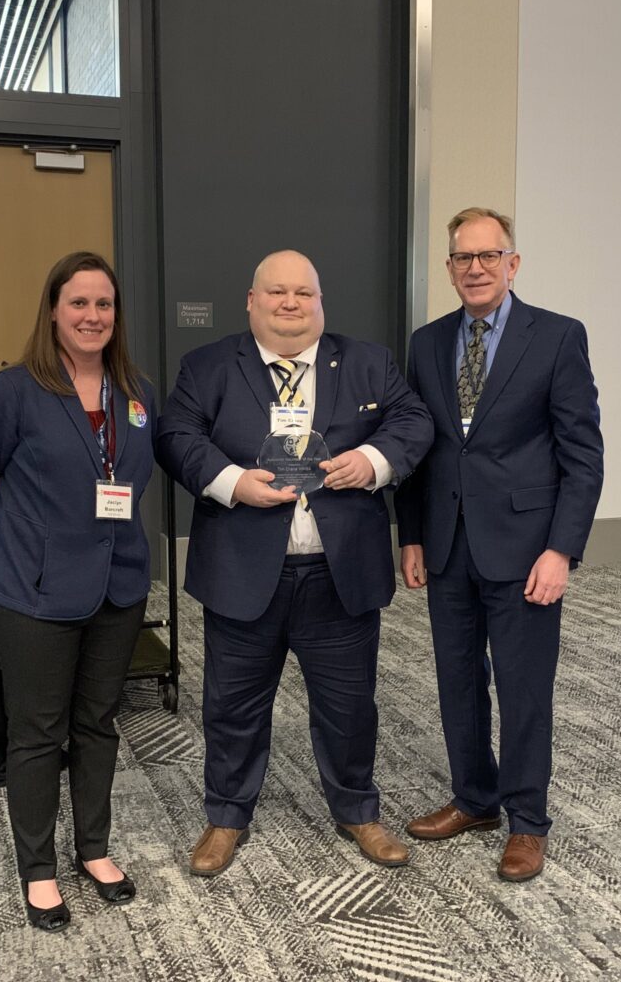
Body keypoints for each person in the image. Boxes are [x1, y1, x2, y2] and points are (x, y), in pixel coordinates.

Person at [156, 249, 433, 876]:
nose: (290, 304)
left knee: (350, 705)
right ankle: (226, 816)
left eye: (302, 293)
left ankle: (357, 810)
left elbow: (414, 421)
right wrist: (229, 481)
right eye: (276, 293)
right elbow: (176, 436)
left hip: (340, 574)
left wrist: (375, 463)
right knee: (232, 707)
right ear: (251, 302)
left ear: (320, 302)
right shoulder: (208, 366)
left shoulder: (367, 362)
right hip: (244, 570)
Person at [0, 252, 156, 931]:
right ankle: (38, 868)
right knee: (38, 734)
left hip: (117, 588)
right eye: (79, 304)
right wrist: (7, 558)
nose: (93, 316)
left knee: (97, 723)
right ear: (54, 311)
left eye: (105, 305)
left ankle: (92, 848)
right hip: (31, 598)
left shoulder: (135, 393)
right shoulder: (14, 392)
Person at [394, 208, 603, 882]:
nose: (476, 268)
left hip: (526, 551)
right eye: (463, 258)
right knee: (457, 682)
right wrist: (413, 536)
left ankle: (528, 821)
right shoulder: (426, 344)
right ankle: (476, 799)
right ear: (450, 268)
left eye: (489, 255)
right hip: (449, 546)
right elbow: (417, 450)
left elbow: (583, 457)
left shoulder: (558, 338)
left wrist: (561, 550)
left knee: (522, 688)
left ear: (513, 263)